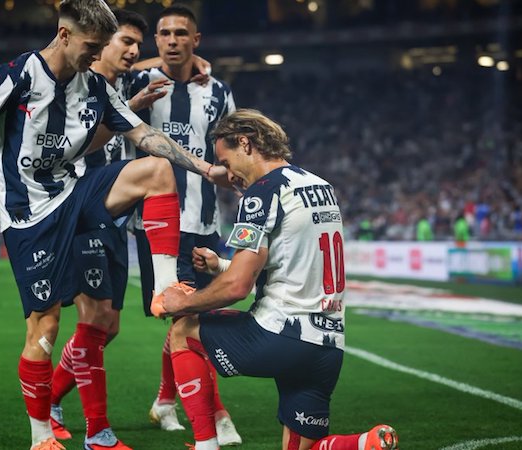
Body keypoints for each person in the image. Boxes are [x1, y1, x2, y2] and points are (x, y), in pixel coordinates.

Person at [0, 2, 227, 449]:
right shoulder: (18, 75)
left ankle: (165, 286)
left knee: (156, 170)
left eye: (102, 47)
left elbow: (144, 135)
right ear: (64, 35)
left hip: (76, 193)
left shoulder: (94, 85)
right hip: (27, 215)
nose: (97, 55)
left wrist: (205, 169)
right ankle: (41, 435)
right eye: (92, 46)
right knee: (45, 327)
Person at [150, 109, 399, 450]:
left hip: (281, 335)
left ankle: (207, 444)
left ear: (245, 143)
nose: (228, 174)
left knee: (183, 330)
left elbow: (238, 287)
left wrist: (184, 302)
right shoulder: (321, 186)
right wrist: (221, 265)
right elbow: (292, 262)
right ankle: (363, 443)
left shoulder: (263, 192)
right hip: (327, 346)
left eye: (227, 161)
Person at [46, 8, 169, 447]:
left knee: (108, 327)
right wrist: (127, 112)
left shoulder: (124, 83)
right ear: (100, 44)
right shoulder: (75, 84)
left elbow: (166, 65)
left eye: (137, 45)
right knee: (94, 318)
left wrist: (194, 62)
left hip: (116, 218)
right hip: (80, 209)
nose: (133, 51)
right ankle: (98, 432)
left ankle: (49, 400)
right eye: (125, 42)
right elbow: (72, 147)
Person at [128, 5, 241, 444]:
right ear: (155, 40)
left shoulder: (219, 92)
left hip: (205, 221)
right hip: (158, 224)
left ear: (196, 40)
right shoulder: (138, 81)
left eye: (181, 33)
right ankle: (215, 417)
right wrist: (153, 66)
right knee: (185, 320)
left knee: (194, 320)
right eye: (164, 33)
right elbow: (102, 70)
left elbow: (230, 150)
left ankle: (165, 401)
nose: (172, 40)